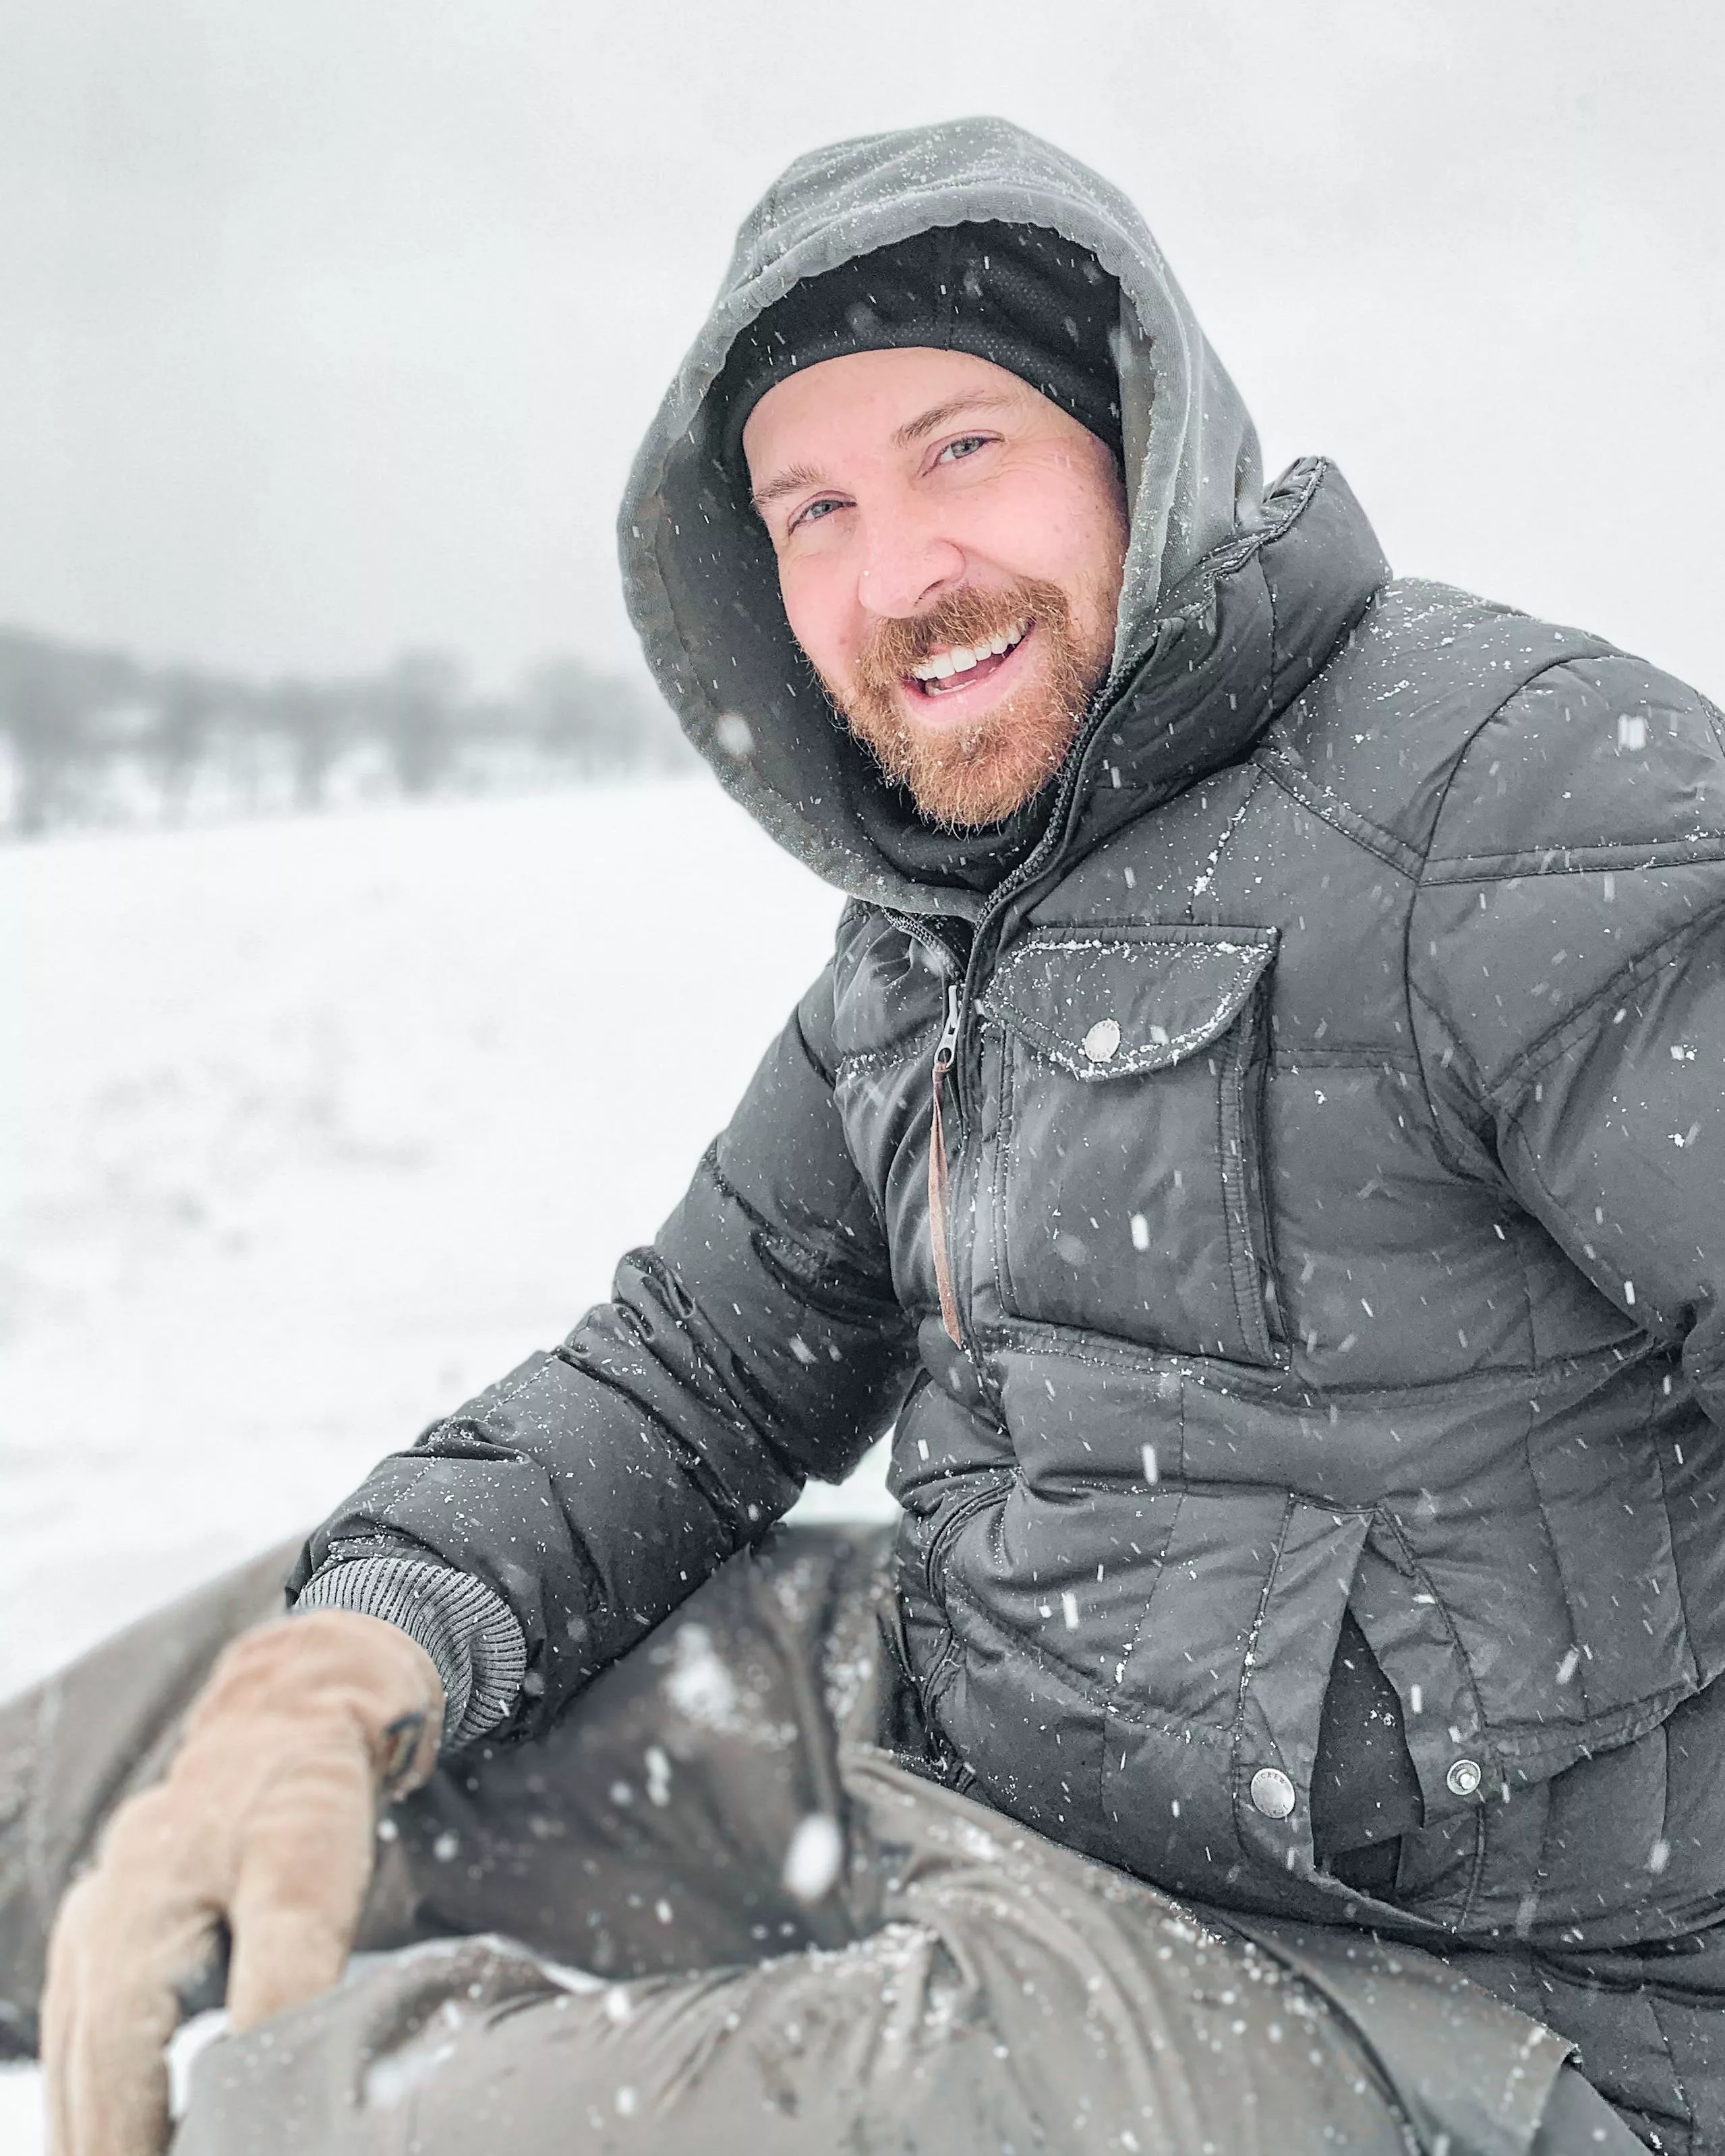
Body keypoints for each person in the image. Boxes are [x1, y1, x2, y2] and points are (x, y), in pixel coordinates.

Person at [5, 113, 1718, 2153]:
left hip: (1434, 2013)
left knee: (418, 2126)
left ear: (1134, 437)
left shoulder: (1512, 799)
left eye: (960, 449)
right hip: (957, 1760)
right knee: (290, 1704)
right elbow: (690, 1375)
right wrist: (362, 1654)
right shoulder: (929, 929)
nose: (895, 573)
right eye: (809, 509)